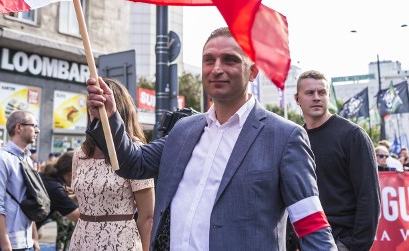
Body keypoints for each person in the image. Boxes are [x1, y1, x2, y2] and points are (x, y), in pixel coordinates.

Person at [86, 27, 336, 250]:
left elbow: (311, 224)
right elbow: (133, 163)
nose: (217, 69)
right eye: (209, 60)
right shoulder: (184, 130)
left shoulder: (284, 136)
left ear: (253, 72)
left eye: (230, 60)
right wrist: (108, 117)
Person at [294, 70, 380, 251]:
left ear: (329, 96)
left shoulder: (352, 135)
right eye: (310, 93)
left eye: (322, 92)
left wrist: (351, 245)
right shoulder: (294, 139)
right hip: (304, 241)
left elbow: (369, 197)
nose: (316, 97)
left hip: (341, 240)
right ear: (297, 99)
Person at [70, 77, 154, 251]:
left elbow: (147, 217)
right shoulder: (81, 154)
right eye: (91, 105)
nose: (94, 110)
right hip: (82, 241)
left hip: (120, 243)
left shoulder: (135, 151)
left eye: (100, 104)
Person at [0, 110, 42, 251]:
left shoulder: (27, 159)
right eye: (34, 125)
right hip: (0, 244)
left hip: (24, 242)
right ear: (19, 127)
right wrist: (5, 246)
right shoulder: (1, 159)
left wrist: (34, 238)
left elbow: (29, 201)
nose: (37, 130)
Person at [39, 150, 80, 251]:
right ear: (71, 174)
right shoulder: (55, 188)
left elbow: (63, 201)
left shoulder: (47, 178)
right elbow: (77, 216)